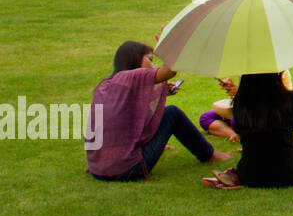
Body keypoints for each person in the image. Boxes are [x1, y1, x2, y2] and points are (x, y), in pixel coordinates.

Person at [87, 41, 233, 181]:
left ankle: (151, 146)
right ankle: (209, 155)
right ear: (136, 60)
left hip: (98, 169)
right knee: (172, 113)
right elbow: (169, 71)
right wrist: (167, 48)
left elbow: (131, 114)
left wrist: (162, 90)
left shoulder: (106, 84)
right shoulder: (132, 76)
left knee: (167, 114)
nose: (152, 65)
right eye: (150, 60)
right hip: (128, 169)